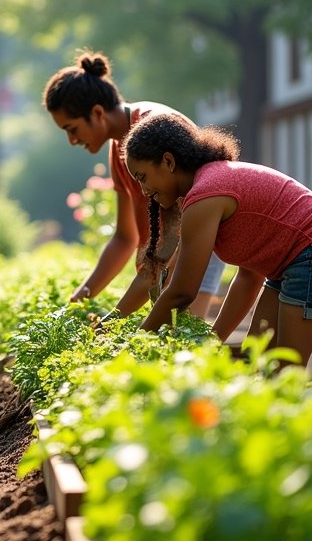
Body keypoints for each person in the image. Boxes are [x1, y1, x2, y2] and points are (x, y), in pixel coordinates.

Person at [42, 50, 224, 318]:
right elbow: (125, 237)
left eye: (72, 129)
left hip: (199, 243)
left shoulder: (154, 127)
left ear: (97, 113)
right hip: (165, 261)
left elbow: (176, 242)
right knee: (165, 338)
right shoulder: (119, 151)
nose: (72, 140)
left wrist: (114, 318)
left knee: (183, 339)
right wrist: (83, 295)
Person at [124, 112, 312, 367]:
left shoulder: (205, 197)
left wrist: (132, 349)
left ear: (168, 161)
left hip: (306, 257)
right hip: (289, 265)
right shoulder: (210, 184)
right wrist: (212, 343)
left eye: (143, 177)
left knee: (284, 372)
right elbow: (248, 277)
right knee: (259, 362)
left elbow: (181, 292)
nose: (144, 191)